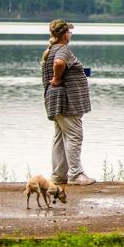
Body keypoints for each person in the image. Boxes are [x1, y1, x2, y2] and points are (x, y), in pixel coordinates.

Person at [40, 19, 95, 185]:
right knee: (74, 135)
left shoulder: (51, 50)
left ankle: (59, 175)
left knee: (59, 137)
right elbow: (59, 63)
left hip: (55, 100)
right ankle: (76, 175)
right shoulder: (62, 50)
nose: (70, 34)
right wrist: (57, 78)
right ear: (64, 35)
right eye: (69, 32)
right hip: (66, 102)